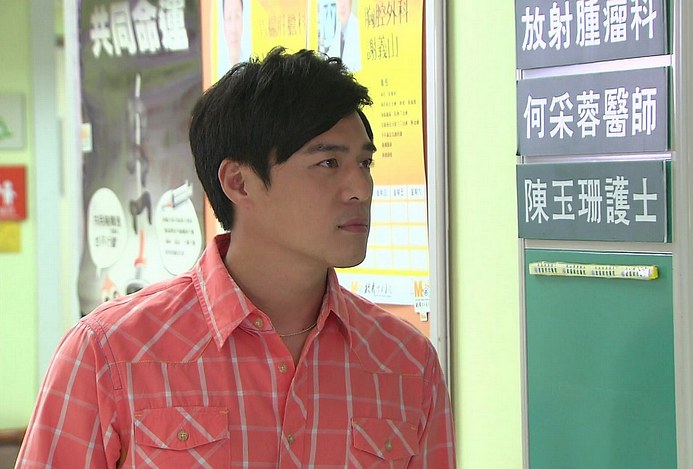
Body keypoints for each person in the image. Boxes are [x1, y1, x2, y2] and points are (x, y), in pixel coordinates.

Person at [16, 47, 455, 468]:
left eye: (365, 164)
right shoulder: (108, 352)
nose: (360, 189)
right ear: (239, 183)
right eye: (328, 164)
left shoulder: (406, 363)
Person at [325, 0, 362, 71]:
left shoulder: (357, 28)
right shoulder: (338, 28)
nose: (342, 5)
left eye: (345, 1)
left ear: (350, 2)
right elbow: (331, 55)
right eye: (339, 1)